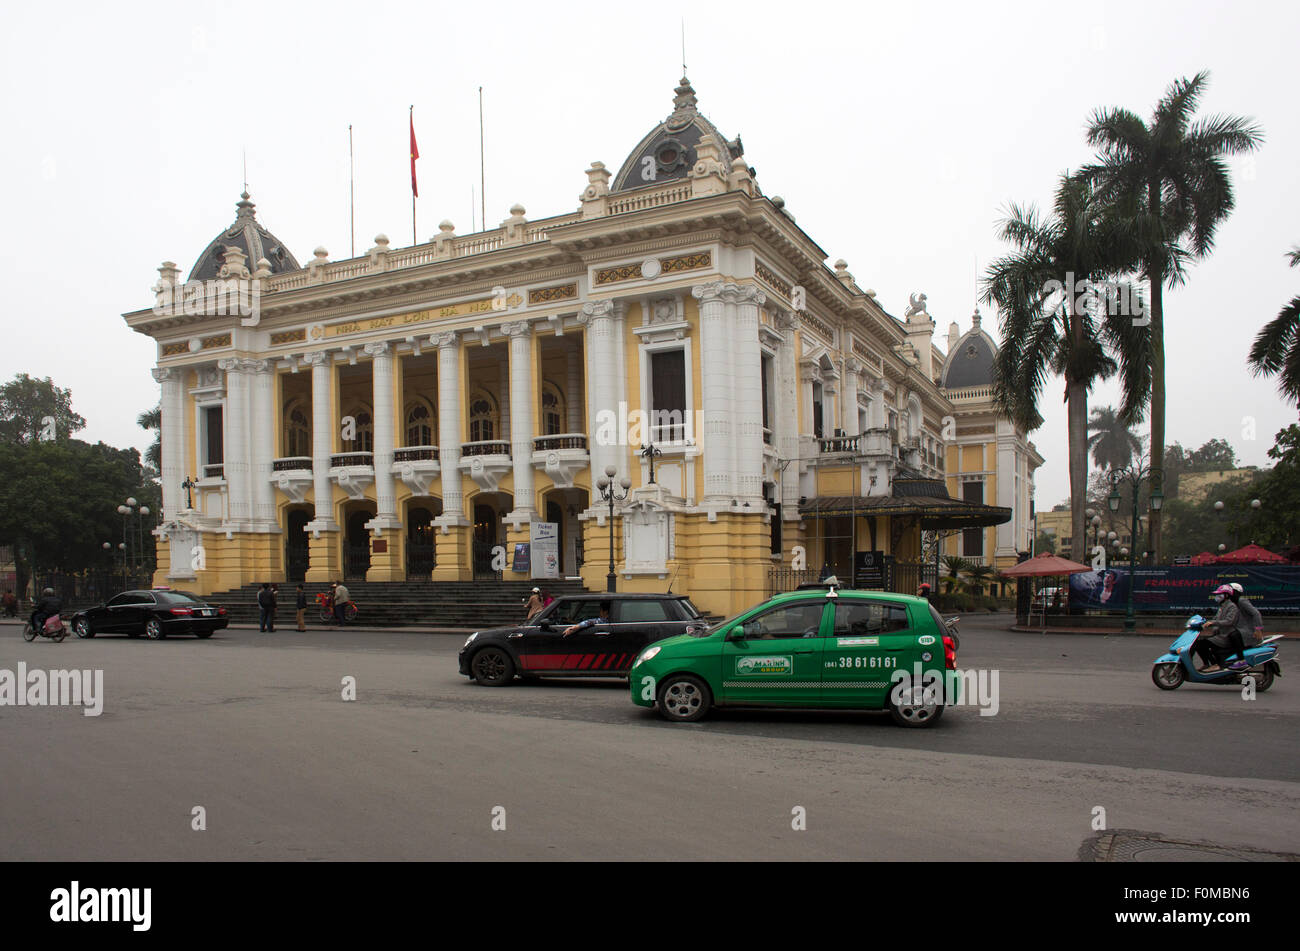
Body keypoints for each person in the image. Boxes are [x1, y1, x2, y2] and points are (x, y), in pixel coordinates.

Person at [1195, 584, 1249, 672]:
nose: (1217, 596)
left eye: (1219, 594)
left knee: (1201, 644)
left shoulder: (1232, 606)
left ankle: (1215, 664)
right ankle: (1206, 664)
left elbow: (1229, 621)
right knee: (1198, 643)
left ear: (1226, 595)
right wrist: (1204, 623)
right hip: (1220, 635)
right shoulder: (1222, 606)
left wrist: (1213, 622)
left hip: (1226, 636)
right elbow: (1216, 619)